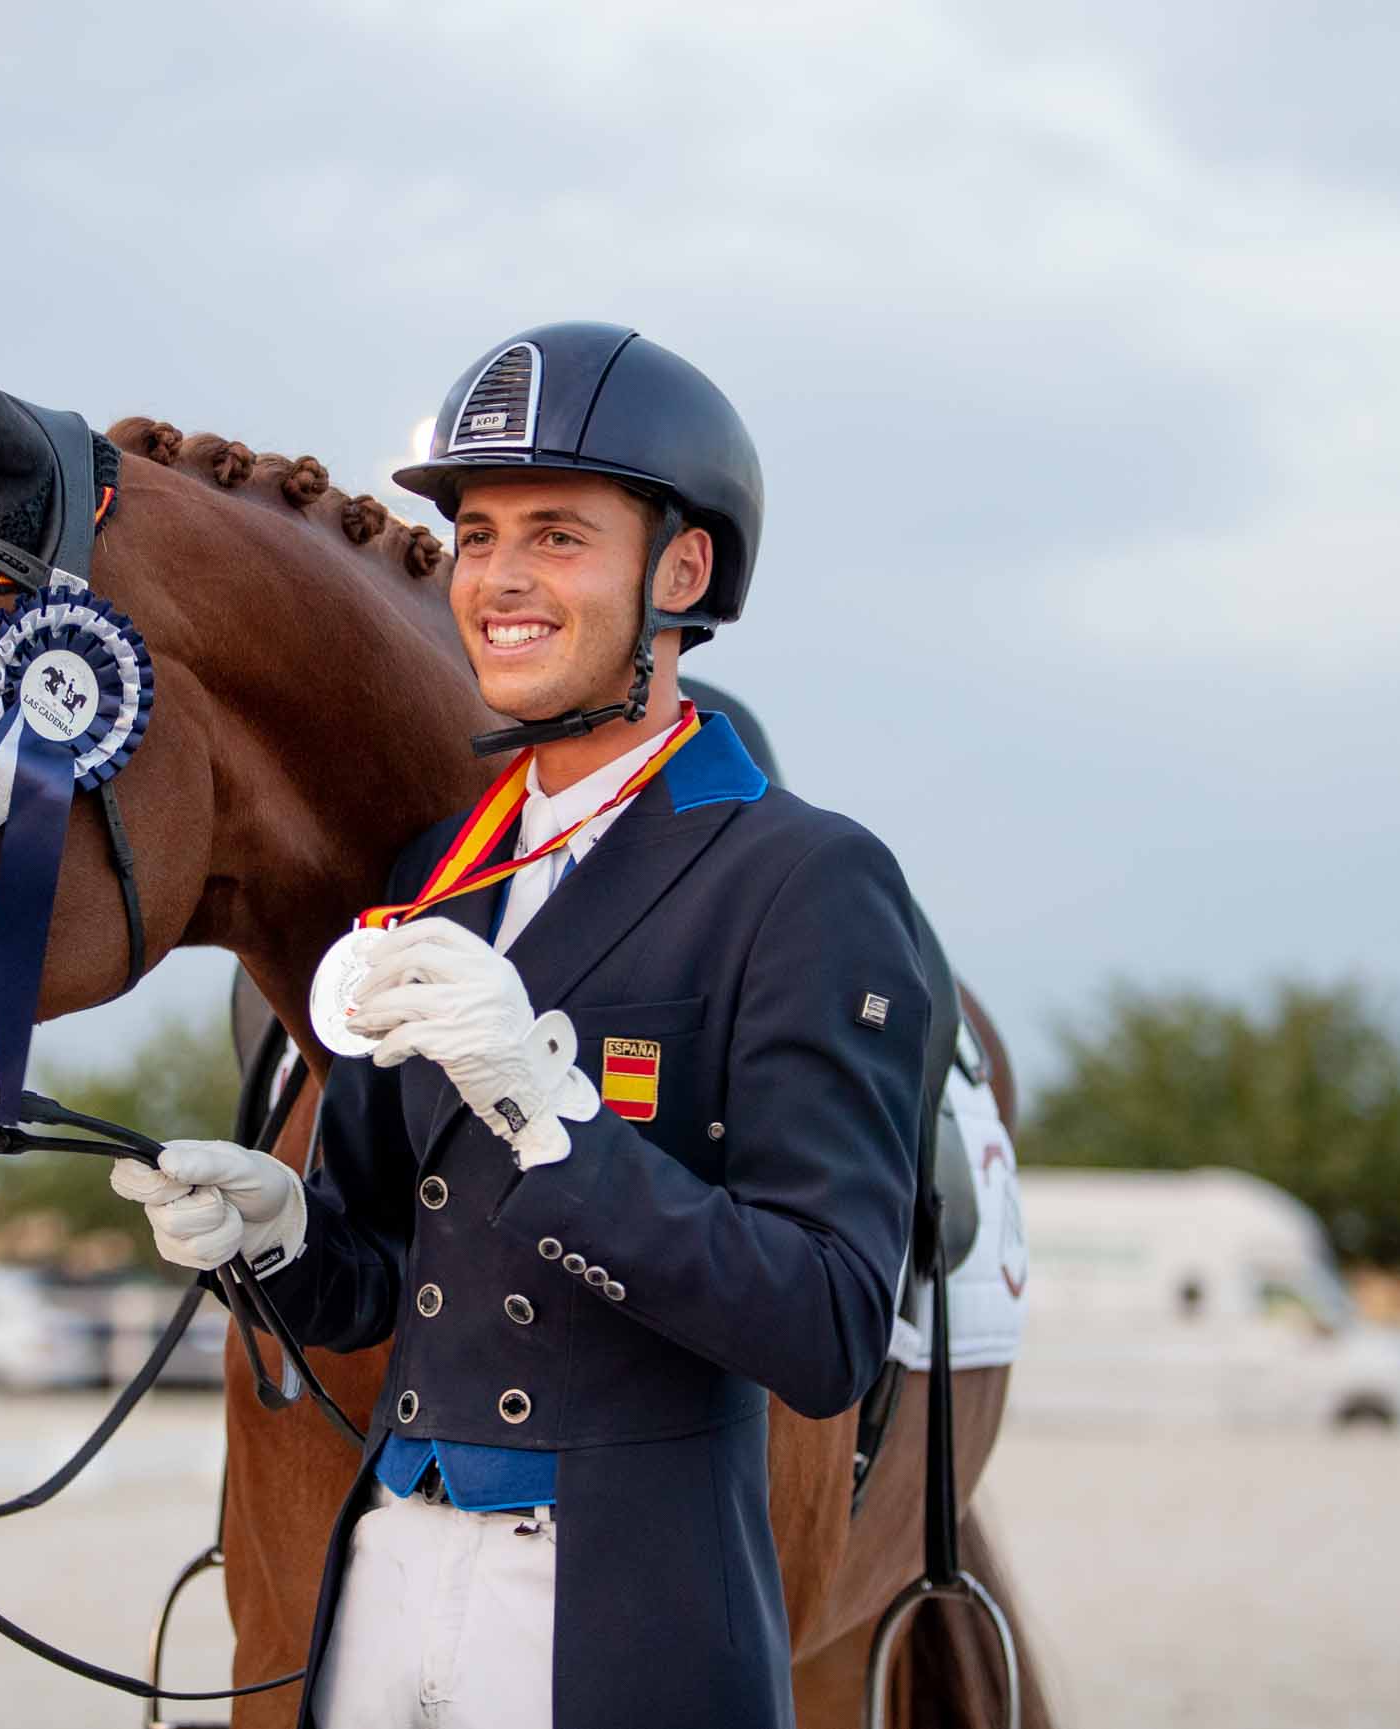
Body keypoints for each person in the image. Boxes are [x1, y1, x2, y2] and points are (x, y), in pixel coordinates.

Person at [112, 323, 930, 1729]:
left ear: (682, 573)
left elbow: (829, 1323)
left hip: (618, 1599)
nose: (497, 579)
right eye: (480, 536)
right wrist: (282, 1244)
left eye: (558, 537)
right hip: (387, 1572)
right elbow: (377, 1267)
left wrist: (557, 1126)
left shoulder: (804, 877)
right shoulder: (437, 870)